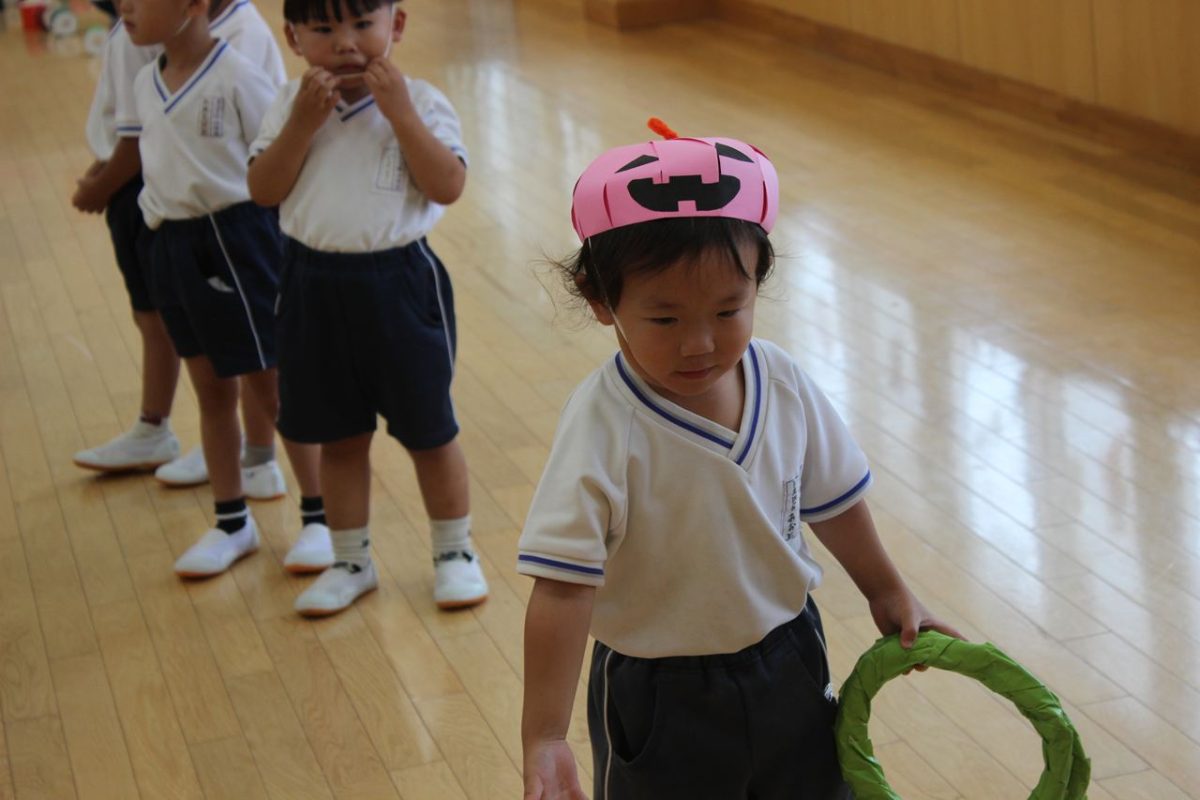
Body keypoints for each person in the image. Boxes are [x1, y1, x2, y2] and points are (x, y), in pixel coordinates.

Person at [518, 124, 963, 799]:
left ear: (759, 281)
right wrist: (546, 734)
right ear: (600, 300)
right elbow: (562, 587)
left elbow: (834, 500)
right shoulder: (602, 426)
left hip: (788, 656)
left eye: (729, 310)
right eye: (665, 320)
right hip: (658, 690)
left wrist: (886, 589)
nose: (700, 343)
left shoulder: (780, 381)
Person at [245, 0, 488, 615]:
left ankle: (455, 553)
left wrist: (400, 112)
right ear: (293, 37)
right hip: (311, 284)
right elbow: (263, 191)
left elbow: (448, 185)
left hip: (399, 282)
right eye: (323, 29)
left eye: (361, 25)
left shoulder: (422, 100)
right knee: (339, 437)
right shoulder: (289, 104)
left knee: (430, 432)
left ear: (395, 26)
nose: (345, 44)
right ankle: (351, 561)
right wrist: (301, 125)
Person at [119, 0, 329, 578]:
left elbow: (282, 161)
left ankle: (320, 517)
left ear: (193, 5)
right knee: (211, 391)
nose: (123, 6)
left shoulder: (238, 76)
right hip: (172, 244)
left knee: (272, 388)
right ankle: (232, 521)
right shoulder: (145, 80)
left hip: (238, 241)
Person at [71, 0, 297, 509]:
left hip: (230, 227)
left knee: (261, 366)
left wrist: (102, 185)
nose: (125, 4)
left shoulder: (236, 52)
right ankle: (228, 497)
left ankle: (276, 472)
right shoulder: (152, 64)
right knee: (198, 362)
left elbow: (273, 153)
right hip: (170, 224)